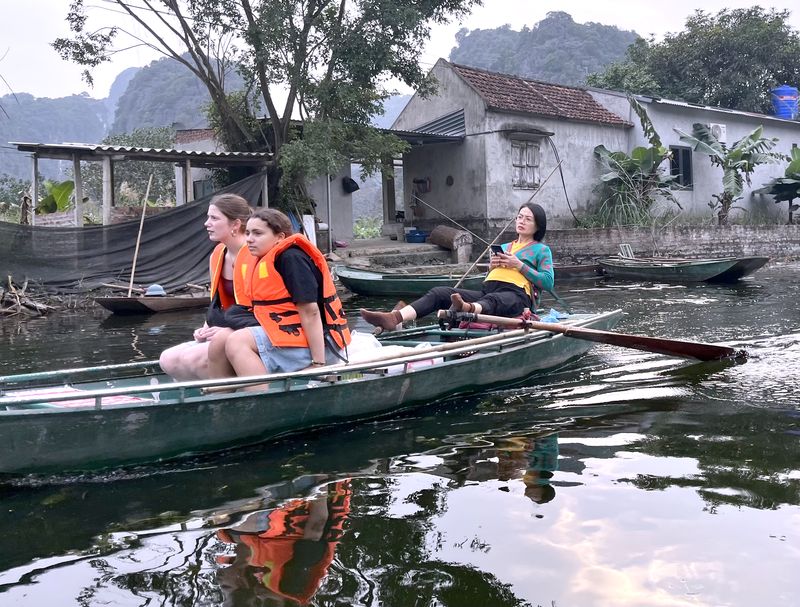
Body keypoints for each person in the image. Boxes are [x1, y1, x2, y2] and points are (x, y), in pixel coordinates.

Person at [360, 202, 554, 331]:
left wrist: (519, 265)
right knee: (439, 292)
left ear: (538, 225)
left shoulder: (541, 250)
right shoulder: (504, 247)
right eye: (520, 217)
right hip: (488, 291)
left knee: (495, 299)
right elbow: (490, 276)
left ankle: (466, 307)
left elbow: (548, 282)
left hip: (517, 297)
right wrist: (492, 266)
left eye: (528, 219)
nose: (521, 221)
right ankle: (395, 318)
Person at [223, 208, 351, 386]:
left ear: (280, 237)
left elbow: (310, 312)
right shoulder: (265, 258)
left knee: (237, 342)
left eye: (257, 233)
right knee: (221, 338)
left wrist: (318, 364)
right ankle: (218, 397)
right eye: (248, 233)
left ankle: (260, 403)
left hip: (322, 344)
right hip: (294, 336)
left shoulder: (292, 259)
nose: (249, 239)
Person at [159, 193, 257, 380]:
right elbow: (218, 304)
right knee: (168, 359)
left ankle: (226, 395)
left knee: (192, 358)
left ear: (235, 224)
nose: (206, 223)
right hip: (226, 328)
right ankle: (202, 396)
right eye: (208, 217)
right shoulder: (218, 254)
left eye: (214, 218)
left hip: (250, 331)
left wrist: (231, 332)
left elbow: (263, 310)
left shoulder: (255, 255)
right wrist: (205, 329)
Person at [215, 479, 352, 606]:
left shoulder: (267, 578)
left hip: (280, 513)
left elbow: (248, 546)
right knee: (235, 522)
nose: (260, 597)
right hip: (303, 493)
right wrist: (321, 481)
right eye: (270, 603)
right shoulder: (296, 581)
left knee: (227, 524)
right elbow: (317, 524)